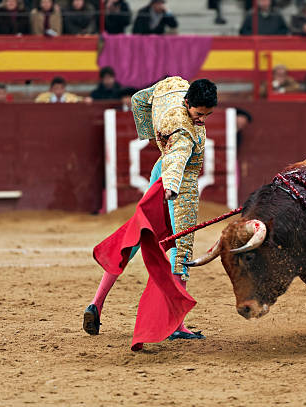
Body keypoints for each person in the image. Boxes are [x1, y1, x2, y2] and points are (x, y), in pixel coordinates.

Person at [83, 77, 218, 340]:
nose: (202, 120)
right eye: (199, 114)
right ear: (188, 103)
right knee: (182, 250)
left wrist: (150, 136)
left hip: (159, 171)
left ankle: (96, 303)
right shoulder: (183, 130)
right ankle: (176, 325)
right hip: (175, 186)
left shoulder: (173, 86)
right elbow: (178, 158)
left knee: (134, 238)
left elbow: (138, 100)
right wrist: (173, 187)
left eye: (207, 115)